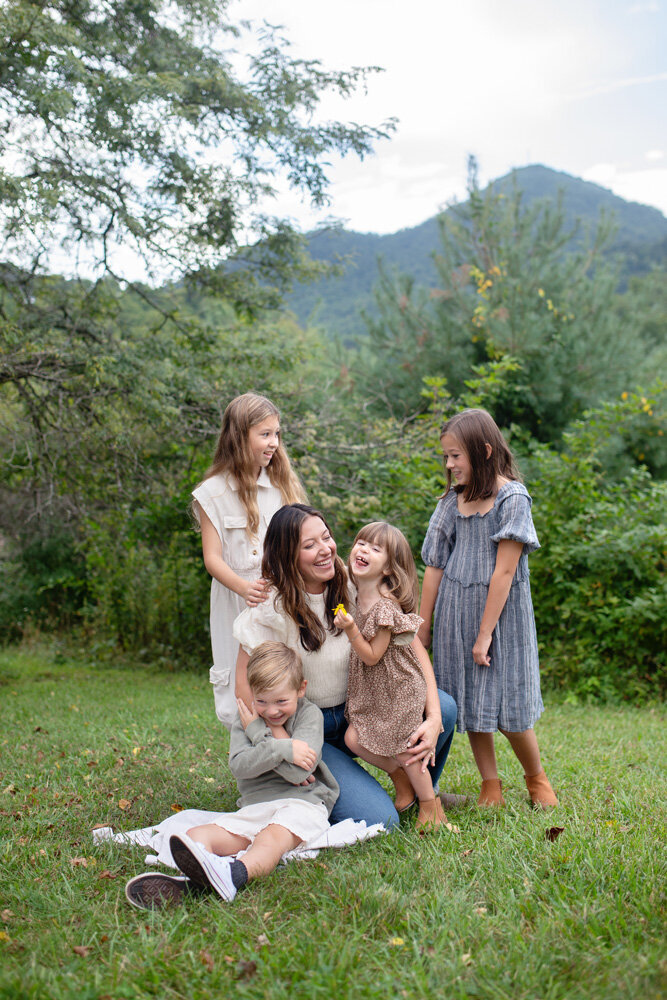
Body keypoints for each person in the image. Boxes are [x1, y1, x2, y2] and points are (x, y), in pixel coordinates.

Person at [233, 503, 458, 830]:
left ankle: (424, 790)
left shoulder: (352, 582)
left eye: (326, 537)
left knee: (445, 708)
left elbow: (409, 641)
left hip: (363, 708)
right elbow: (245, 690)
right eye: (309, 546)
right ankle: (398, 776)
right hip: (310, 726)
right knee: (381, 820)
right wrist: (285, 747)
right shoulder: (272, 609)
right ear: (287, 556)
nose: (325, 550)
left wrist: (434, 717)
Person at [125, 641, 338, 908]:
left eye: (281, 701)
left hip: (303, 804)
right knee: (195, 835)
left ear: (301, 689)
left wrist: (259, 736)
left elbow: (299, 773)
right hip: (255, 808)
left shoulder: (309, 715)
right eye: (262, 701)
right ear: (252, 693)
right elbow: (240, 766)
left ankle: (233, 875)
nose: (272, 711)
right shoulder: (245, 719)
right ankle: (198, 878)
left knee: (269, 838)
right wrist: (283, 747)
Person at [418, 408, 558, 809]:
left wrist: (485, 635)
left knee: (510, 703)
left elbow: (505, 571)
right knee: (471, 702)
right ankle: (490, 784)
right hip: (454, 615)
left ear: (482, 450)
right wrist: (424, 626)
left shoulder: (512, 498)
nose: (449, 464)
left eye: (455, 456)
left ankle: (536, 778)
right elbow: (434, 564)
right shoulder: (452, 501)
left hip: (502, 620)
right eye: (445, 456)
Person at [191, 393, 305, 728]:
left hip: (280, 597)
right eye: (265, 434)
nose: (274, 443)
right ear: (240, 436)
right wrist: (244, 587)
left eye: (277, 434)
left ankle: (290, 752)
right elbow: (212, 559)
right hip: (235, 598)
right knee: (235, 683)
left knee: (283, 675)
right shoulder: (211, 493)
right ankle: (249, 755)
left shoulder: (282, 486)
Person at [334, 522, 452, 830]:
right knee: (354, 739)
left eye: (375, 549)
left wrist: (350, 630)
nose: (363, 550)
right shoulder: (356, 591)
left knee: (407, 748)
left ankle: (431, 808)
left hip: (398, 686)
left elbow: (372, 656)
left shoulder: (385, 607)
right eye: (361, 543)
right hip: (377, 691)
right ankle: (401, 778)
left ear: (388, 568)